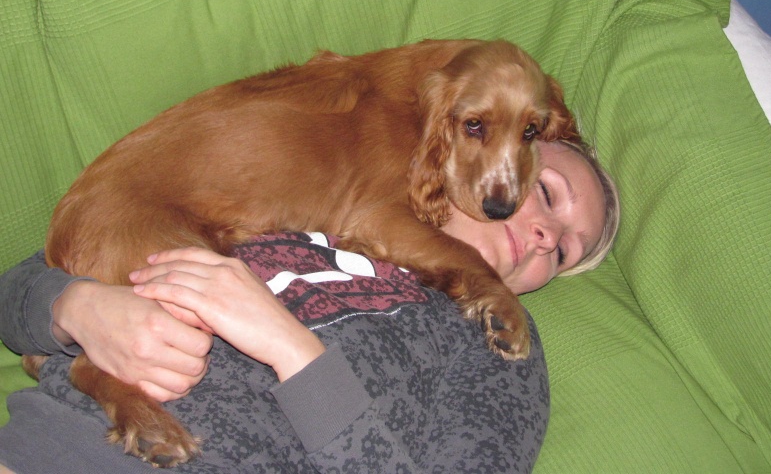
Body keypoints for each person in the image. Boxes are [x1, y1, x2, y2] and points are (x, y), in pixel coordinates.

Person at [0, 140, 619, 474]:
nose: (547, 237)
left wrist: (293, 351)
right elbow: (20, 287)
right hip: (40, 444)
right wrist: (76, 307)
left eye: (565, 251)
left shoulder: (499, 343)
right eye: (546, 193)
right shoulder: (321, 181)